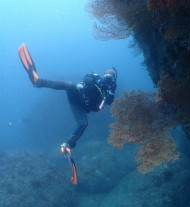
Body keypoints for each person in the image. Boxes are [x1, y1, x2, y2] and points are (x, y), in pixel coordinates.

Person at [18, 43, 117, 184]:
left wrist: (111, 89)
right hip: (76, 97)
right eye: (107, 74)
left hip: (81, 109)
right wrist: (93, 80)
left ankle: (68, 145)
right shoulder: (95, 79)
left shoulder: (109, 90)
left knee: (83, 123)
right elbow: (84, 81)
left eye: (111, 77)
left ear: (113, 79)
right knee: (70, 85)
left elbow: (109, 102)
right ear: (103, 74)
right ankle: (38, 81)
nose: (108, 77)